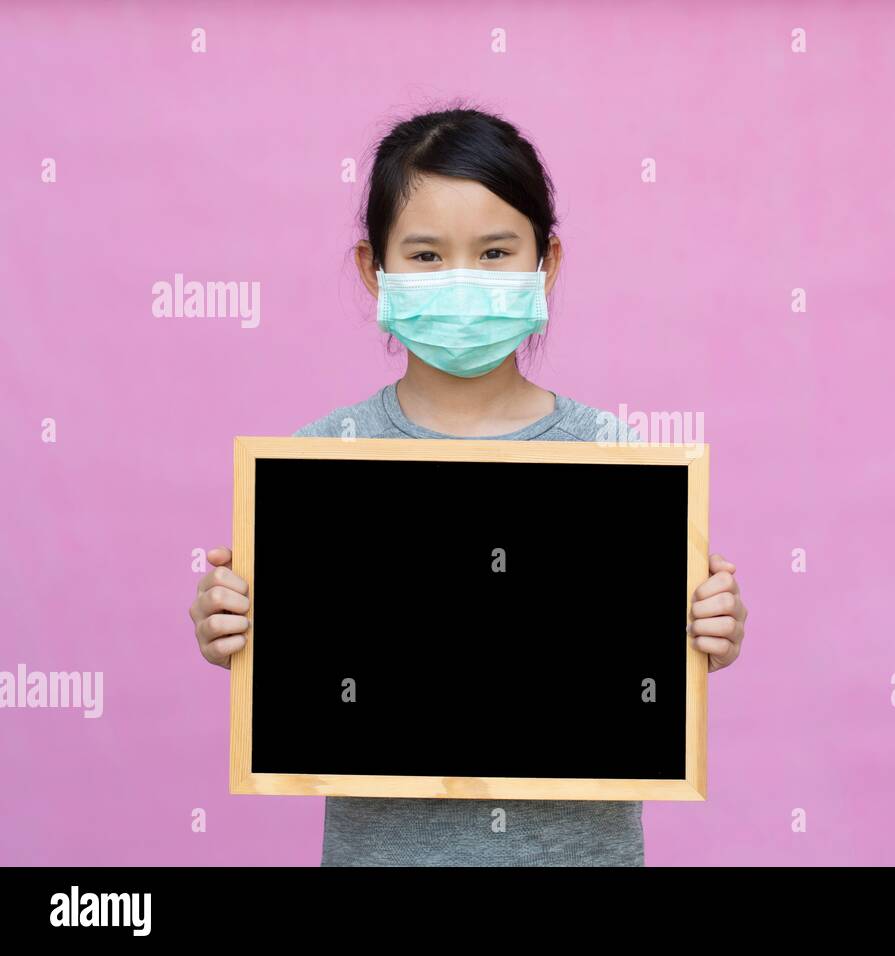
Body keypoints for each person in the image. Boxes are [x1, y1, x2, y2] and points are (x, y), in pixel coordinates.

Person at [187, 104, 749, 866]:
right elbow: (297, 672)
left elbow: (650, 663)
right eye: (425, 256)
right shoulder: (322, 461)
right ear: (372, 270)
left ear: (546, 263)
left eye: (493, 252)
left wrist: (708, 627)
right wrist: (232, 628)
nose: (461, 280)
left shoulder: (617, 461)